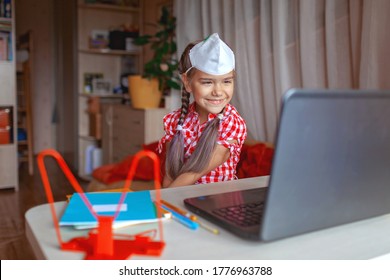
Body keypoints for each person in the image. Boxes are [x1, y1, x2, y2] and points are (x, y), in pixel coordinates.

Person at [158, 33, 247, 188]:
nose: (218, 91)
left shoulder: (232, 123)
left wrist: (164, 200)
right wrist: (163, 208)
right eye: (207, 82)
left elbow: (194, 173)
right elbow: (170, 175)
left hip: (219, 205)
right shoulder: (175, 120)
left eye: (226, 81)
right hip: (179, 200)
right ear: (187, 82)